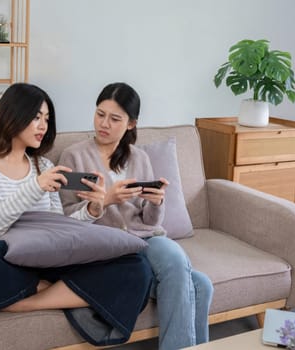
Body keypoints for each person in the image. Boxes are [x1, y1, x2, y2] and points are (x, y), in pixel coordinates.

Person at [0, 82, 152, 346]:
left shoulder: (43, 165)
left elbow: (61, 228)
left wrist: (92, 209)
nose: (43, 126)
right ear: (13, 115)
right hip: (8, 257)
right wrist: (35, 188)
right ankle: (60, 290)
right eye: (36, 117)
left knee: (137, 268)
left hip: (50, 258)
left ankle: (19, 302)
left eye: (46, 119)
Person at [59, 82, 214, 349]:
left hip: (146, 240)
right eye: (100, 114)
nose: (104, 123)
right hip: (108, 246)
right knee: (198, 285)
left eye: (114, 118)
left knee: (199, 281)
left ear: (131, 124)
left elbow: (151, 222)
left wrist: (157, 202)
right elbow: (66, 219)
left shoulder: (138, 157)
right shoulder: (74, 156)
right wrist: (106, 201)